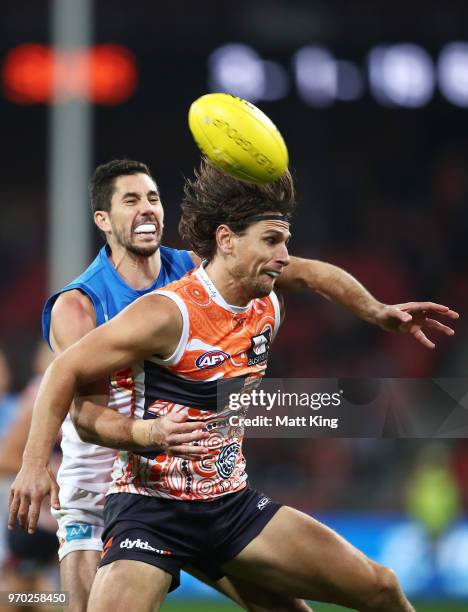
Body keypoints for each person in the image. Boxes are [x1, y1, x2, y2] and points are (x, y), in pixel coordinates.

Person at [9, 161, 459, 611]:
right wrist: (41, 462)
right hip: (122, 491)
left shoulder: (241, 289)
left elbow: (312, 274)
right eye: (131, 200)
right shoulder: (105, 307)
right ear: (102, 220)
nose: (283, 257)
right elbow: (78, 406)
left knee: (376, 588)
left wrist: (377, 310)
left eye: (152, 198)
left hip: (222, 501)